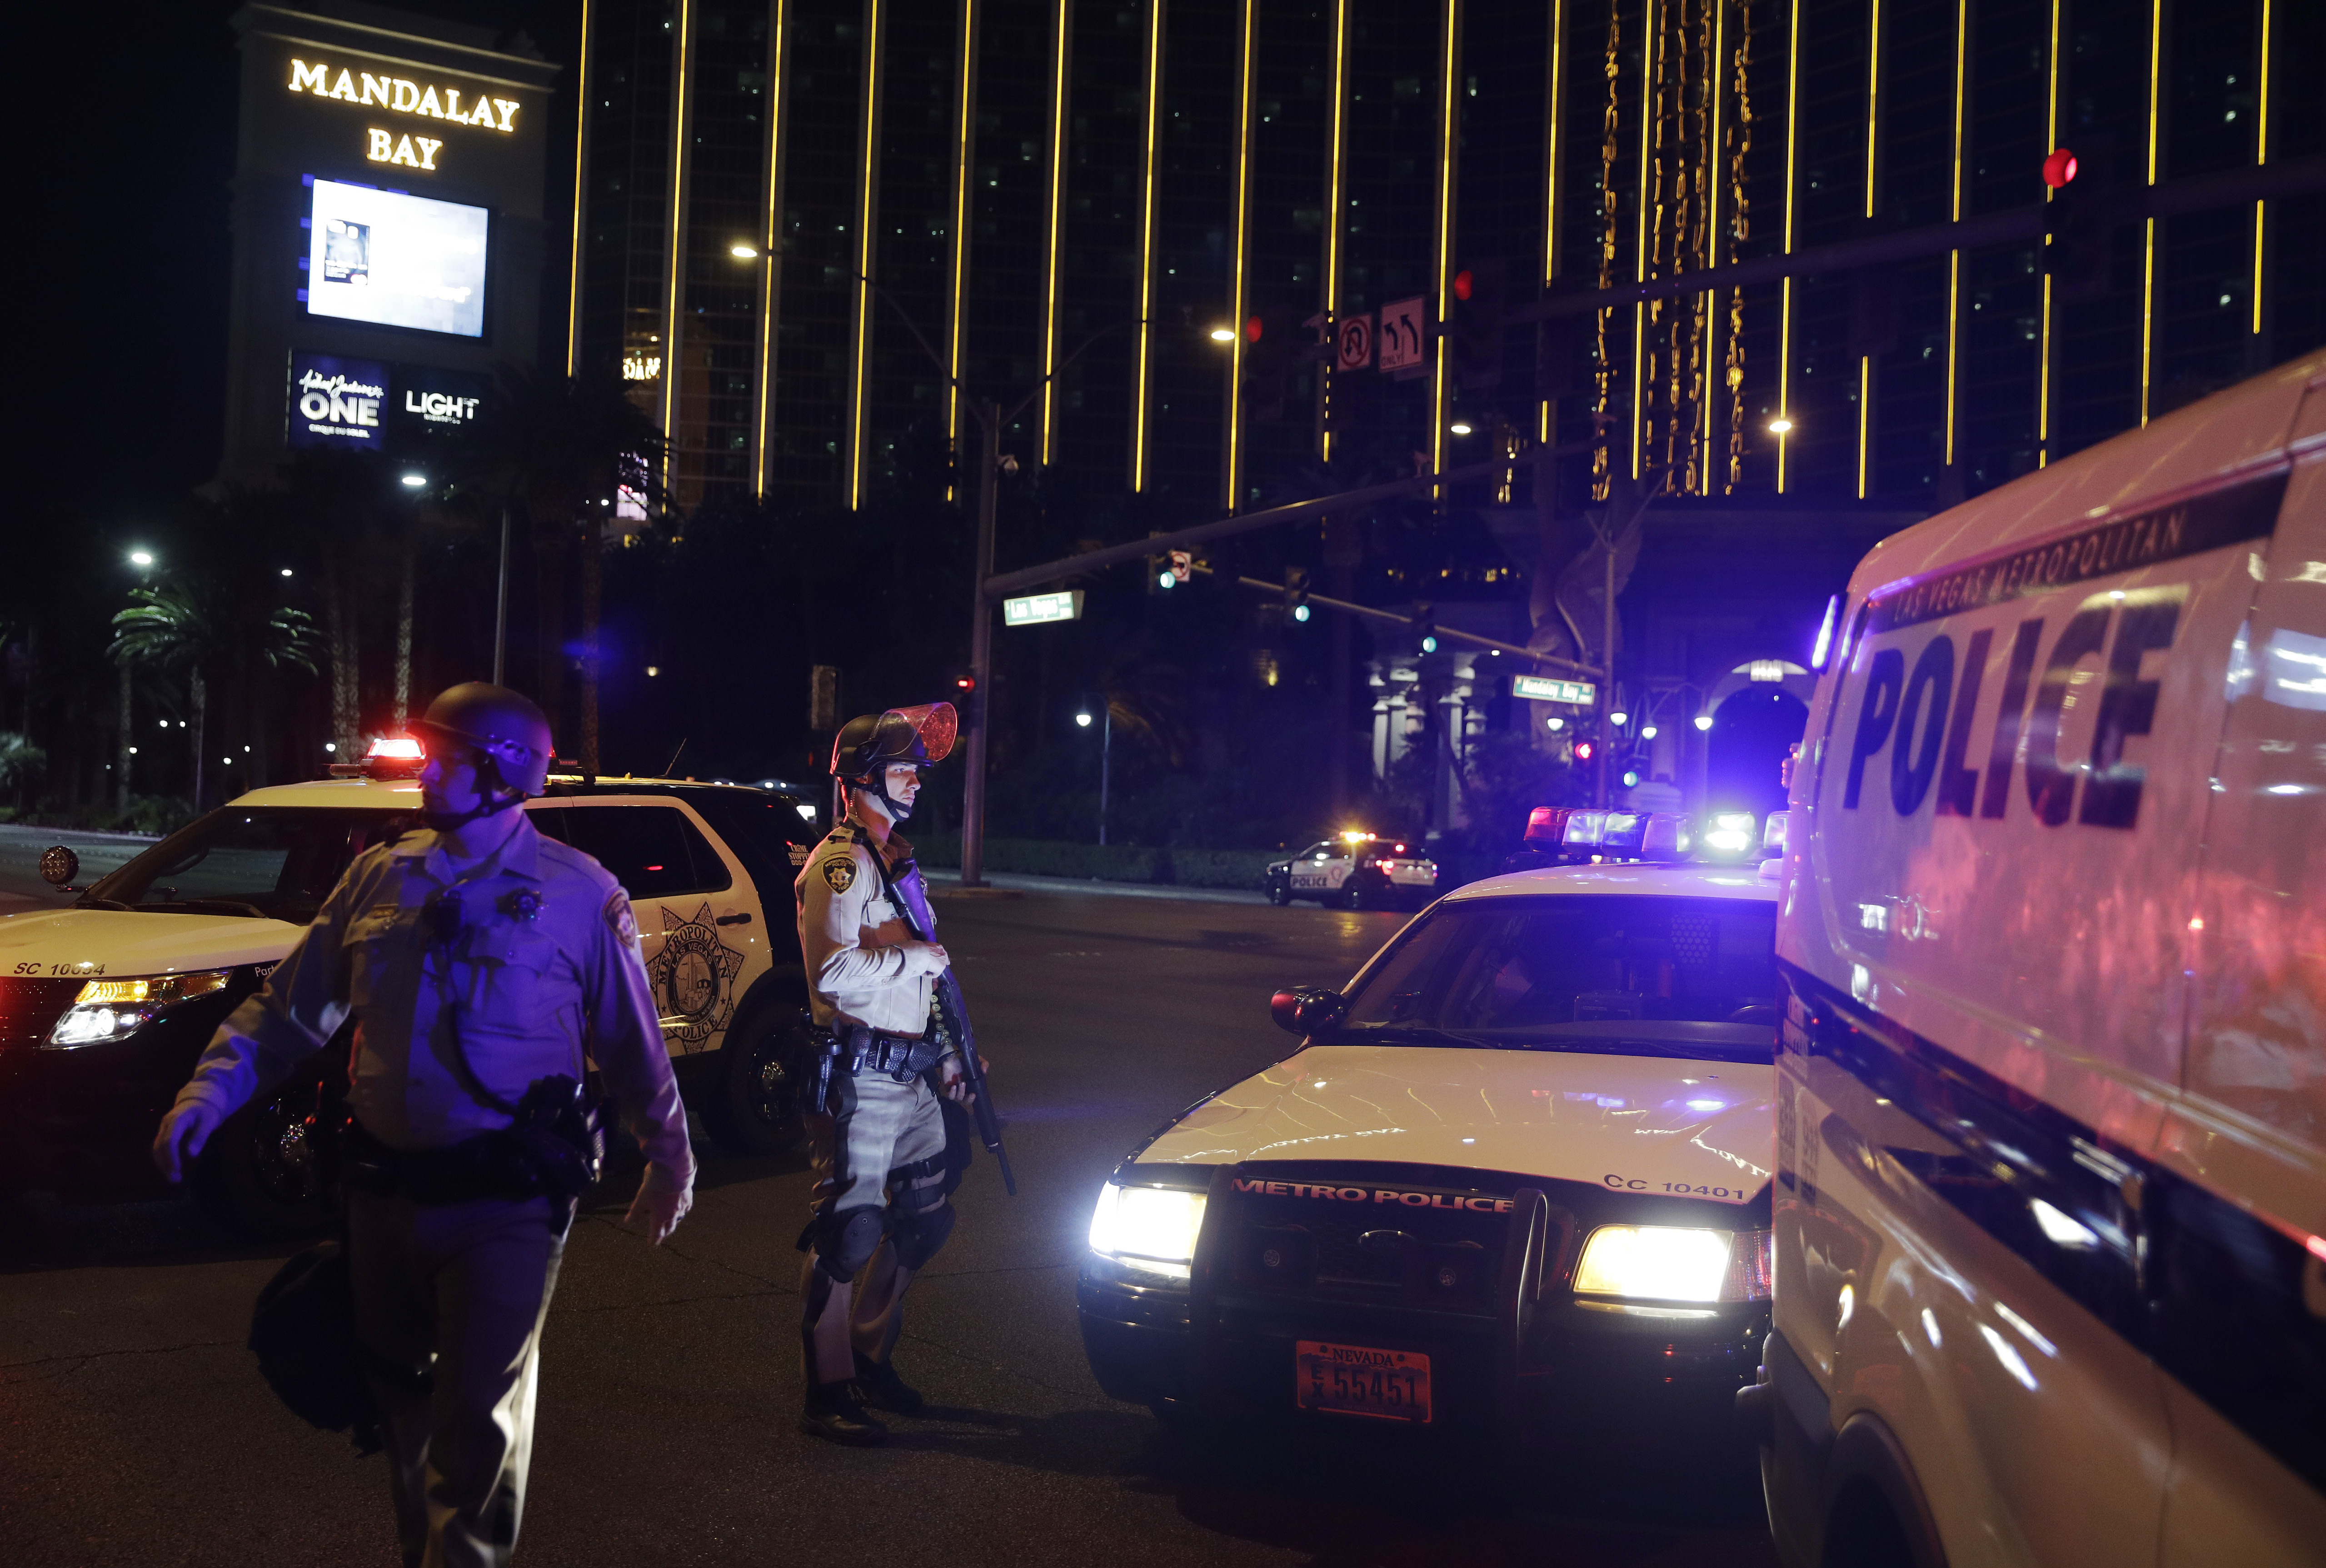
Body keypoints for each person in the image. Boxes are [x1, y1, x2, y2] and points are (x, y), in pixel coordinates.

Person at [152, 683, 694, 1568]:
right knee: (399, 1410)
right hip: (379, 1199)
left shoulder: (577, 893)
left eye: (444, 757)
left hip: (507, 1204)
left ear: (504, 771)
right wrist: (207, 1095)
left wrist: (671, 1163)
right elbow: (290, 1010)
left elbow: (632, 1044)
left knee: (477, 1421)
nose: (424, 774)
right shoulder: (382, 874)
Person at [794, 703, 977, 1446]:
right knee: (851, 1226)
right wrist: (914, 957)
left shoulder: (893, 861)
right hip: (861, 1072)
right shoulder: (838, 863)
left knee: (926, 1214)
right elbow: (834, 972)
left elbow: (932, 980)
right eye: (905, 769)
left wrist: (959, 1050)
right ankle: (828, 1385)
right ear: (863, 778)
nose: (917, 782)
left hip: (914, 1069)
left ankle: (870, 1357)